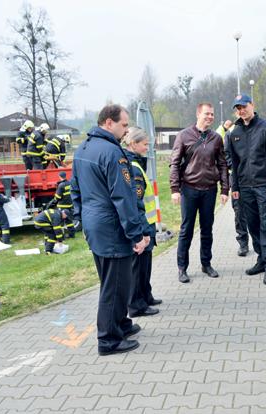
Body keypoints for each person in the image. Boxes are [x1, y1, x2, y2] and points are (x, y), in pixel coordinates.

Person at [71, 104, 149, 356]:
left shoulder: (83, 149)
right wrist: (137, 233)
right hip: (111, 227)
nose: (126, 130)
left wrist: (80, 219)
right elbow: (123, 198)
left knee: (112, 281)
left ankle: (120, 324)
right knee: (114, 286)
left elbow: (75, 190)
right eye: (124, 125)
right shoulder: (113, 153)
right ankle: (108, 340)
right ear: (108, 122)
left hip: (95, 226)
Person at [225, 94, 266, 285]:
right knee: (252, 224)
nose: (241, 110)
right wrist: (235, 186)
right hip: (245, 187)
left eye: (244, 106)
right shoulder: (234, 132)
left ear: (252, 105)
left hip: (264, 186)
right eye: (238, 108)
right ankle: (261, 258)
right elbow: (233, 162)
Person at [169, 102, 229, 283]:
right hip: (189, 189)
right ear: (198, 114)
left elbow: (223, 165)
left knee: (207, 229)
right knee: (186, 230)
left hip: (209, 190)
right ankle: (182, 268)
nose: (210, 117)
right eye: (207, 114)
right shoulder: (184, 136)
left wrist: (224, 189)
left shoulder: (216, 138)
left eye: (212, 114)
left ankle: (206, 263)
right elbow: (174, 162)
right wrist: (174, 189)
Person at [122, 127, 163, 317]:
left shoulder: (136, 164)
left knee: (146, 265)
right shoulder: (135, 168)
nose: (148, 148)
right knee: (138, 268)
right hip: (143, 224)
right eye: (145, 144)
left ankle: (146, 296)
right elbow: (136, 202)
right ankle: (136, 305)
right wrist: (143, 230)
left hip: (147, 223)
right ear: (133, 144)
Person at [218, 117, 249, 256]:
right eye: (239, 109)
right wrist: (235, 168)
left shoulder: (259, 129)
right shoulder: (231, 133)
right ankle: (243, 243)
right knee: (239, 212)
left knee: (263, 214)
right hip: (237, 179)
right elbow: (226, 155)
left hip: (257, 180)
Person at [50, 171, 75, 238]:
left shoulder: (61, 185)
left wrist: (52, 202)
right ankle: (72, 234)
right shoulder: (69, 183)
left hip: (62, 206)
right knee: (69, 220)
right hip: (69, 205)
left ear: (60, 176)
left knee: (60, 222)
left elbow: (58, 197)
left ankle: (61, 236)